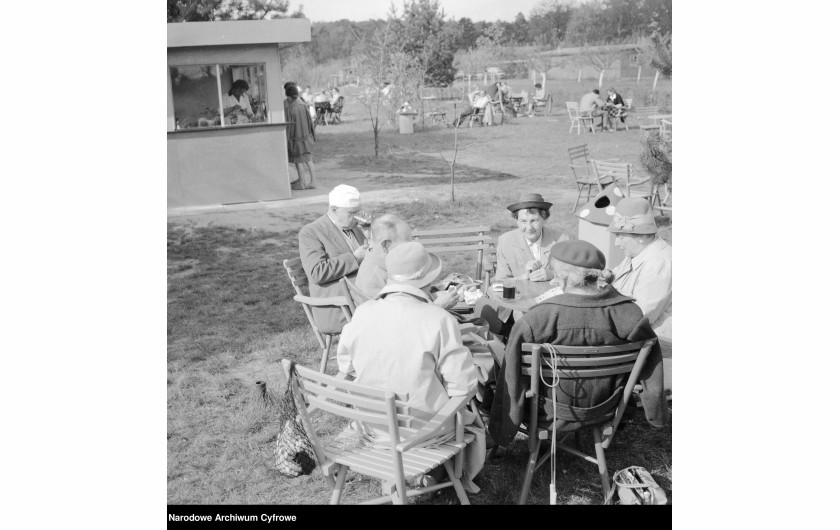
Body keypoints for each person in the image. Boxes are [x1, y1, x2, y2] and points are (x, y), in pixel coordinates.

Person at [488, 240, 669, 446]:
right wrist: (656, 411)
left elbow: (511, 375)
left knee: (496, 351)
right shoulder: (630, 313)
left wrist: (503, 428)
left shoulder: (536, 319)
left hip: (547, 412)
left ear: (560, 277)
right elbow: (651, 358)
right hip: (606, 407)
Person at [337, 241, 486, 490]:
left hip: (373, 425)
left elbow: (346, 367)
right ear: (429, 280)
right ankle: (437, 475)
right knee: (466, 414)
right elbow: (463, 387)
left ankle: (415, 475)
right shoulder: (439, 318)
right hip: (423, 432)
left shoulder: (363, 312)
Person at [298, 185, 368, 334]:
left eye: (358, 211)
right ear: (334, 209)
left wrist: (369, 235)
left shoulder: (355, 226)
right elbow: (317, 272)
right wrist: (355, 258)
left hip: (360, 297)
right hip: (339, 307)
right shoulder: (311, 232)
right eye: (352, 212)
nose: (358, 217)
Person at [608, 198, 672, 357]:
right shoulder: (637, 253)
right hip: (635, 340)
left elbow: (638, 316)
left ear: (641, 236)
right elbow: (614, 279)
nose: (616, 243)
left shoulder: (658, 264)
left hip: (656, 349)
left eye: (621, 236)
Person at [354, 215, 461, 310]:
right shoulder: (374, 279)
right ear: (386, 245)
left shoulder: (379, 265)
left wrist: (431, 292)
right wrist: (438, 306)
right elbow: (399, 322)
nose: (410, 247)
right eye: (406, 243)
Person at [494, 193, 569, 283]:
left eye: (534, 221)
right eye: (523, 221)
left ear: (544, 219)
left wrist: (552, 274)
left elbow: (573, 275)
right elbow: (499, 282)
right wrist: (523, 277)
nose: (529, 227)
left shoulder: (561, 240)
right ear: (516, 221)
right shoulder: (505, 242)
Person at [285, 85, 317, 190]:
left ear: (289, 96)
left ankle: (301, 183)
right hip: (306, 136)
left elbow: (289, 125)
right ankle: (313, 182)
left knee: (298, 160)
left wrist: (287, 139)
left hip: (296, 137)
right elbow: (310, 122)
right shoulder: (303, 104)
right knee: (308, 159)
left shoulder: (291, 108)